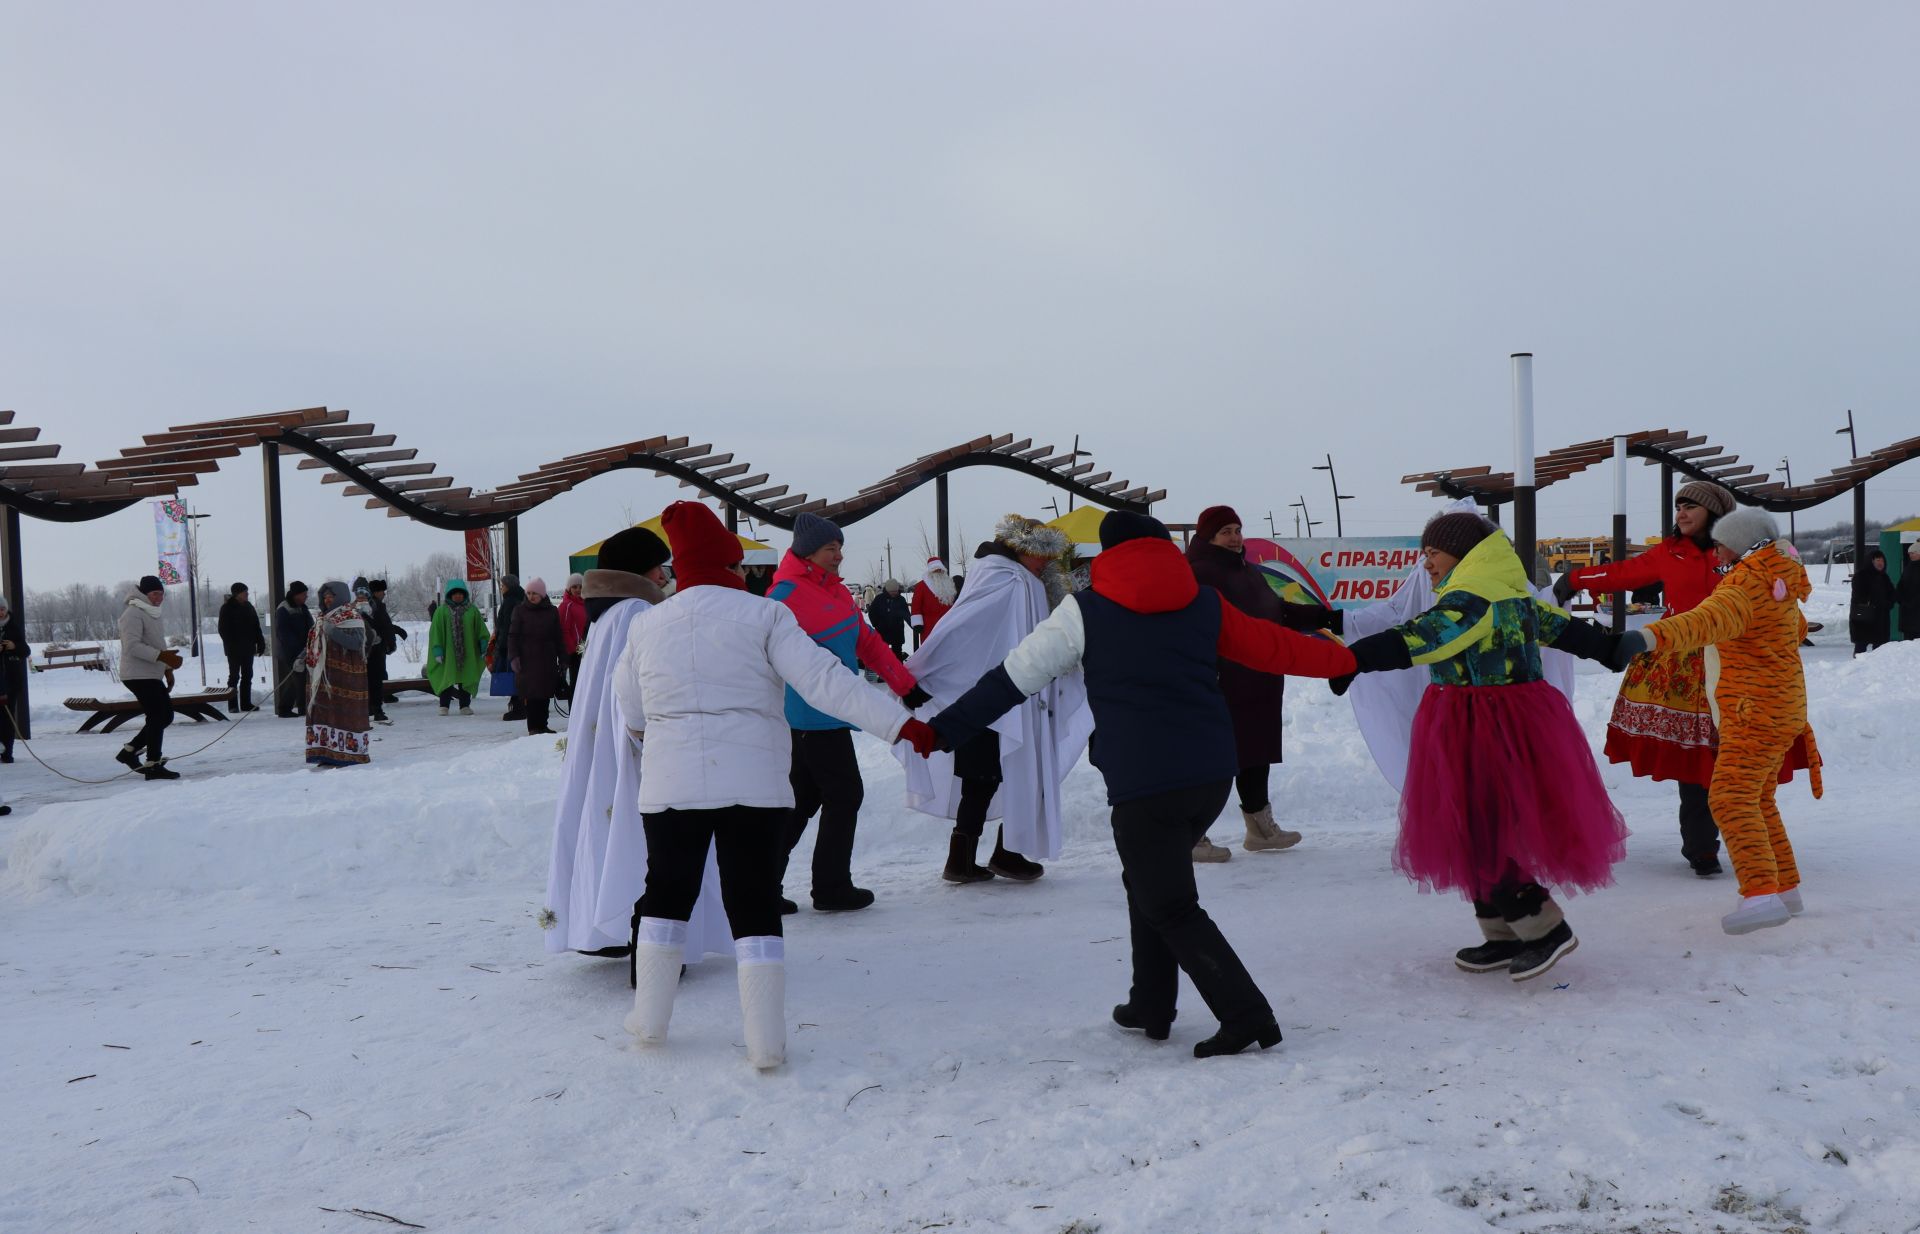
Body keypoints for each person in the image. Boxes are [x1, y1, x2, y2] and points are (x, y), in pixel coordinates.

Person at [922, 512, 1358, 1058]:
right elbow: (1274, 646)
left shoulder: (1085, 612)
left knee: (1171, 904)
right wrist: (1342, 660)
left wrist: (941, 731)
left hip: (1147, 783)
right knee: (1148, 884)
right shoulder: (1204, 602)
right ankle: (1150, 1002)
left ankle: (1247, 1015)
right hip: (1210, 776)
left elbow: (1012, 679)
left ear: (1106, 555)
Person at [614, 501, 938, 1070]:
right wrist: (899, 723)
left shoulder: (646, 623)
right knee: (754, 900)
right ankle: (765, 1042)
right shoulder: (763, 617)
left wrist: (659, 737)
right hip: (755, 784)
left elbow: (631, 708)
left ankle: (650, 1022)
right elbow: (825, 682)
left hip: (671, 786)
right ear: (729, 565)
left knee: (667, 892)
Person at [1337, 513, 1626, 984]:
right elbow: (1561, 627)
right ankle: (1502, 932)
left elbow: (1423, 637)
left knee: (1480, 825)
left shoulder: (1475, 598)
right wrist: (1608, 649)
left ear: (1463, 552)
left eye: (1433, 553)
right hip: (1475, 718)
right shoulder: (1505, 589)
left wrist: (1354, 659)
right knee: (1473, 824)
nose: (1425, 563)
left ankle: (1544, 927)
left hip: (1488, 724)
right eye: (1424, 553)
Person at [1612, 509, 1825, 934]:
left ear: (1742, 542)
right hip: (1782, 707)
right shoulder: (1778, 580)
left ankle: (1760, 894)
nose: (1717, 550)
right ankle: (1785, 889)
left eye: (1722, 543)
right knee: (1759, 798)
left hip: (1753, 710)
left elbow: (1704, 621)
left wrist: (1646, 637)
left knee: (1729, 799)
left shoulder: (1746, 583)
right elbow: (1796, 629)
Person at [544, 525, 731, 969]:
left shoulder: (609, 613)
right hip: (633, 747)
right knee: (645, 841)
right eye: (659, 564)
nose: (667, 572)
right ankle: (652, 946)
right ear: (642, 569)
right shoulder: (635, 613)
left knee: (612, 832)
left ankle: (606, 927)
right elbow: (642, 684)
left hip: (607, 746)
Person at [1553, 481, 1744, 875]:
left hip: (1734, 663)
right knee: (1696, 757)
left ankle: (1750, 837)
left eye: (1691, 506)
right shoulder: (1669, 553)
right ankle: (1702, 847)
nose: (1682, 514)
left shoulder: (1740, 552)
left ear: (1714, 512)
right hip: (1681, 667)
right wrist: (1575, 580)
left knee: (1739, 756)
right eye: (1678, 507)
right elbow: (1621, 574)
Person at [899, 515, 1091, 884]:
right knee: (997, 776)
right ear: (1022, 549)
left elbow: (966, 628)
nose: (1045, 563)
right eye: (1040, 555)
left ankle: (982, 856)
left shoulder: (1010, 578)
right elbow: (963, 628)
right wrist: (923, 671)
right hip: (996, 698)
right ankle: (990, 856)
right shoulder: (1010, 580)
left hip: (994, 697)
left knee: (996, 776)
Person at [768, 513, 930, 913]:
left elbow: (869, 643)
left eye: (840, 547)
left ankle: (763, 884)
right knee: (844, 794)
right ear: (808, 552)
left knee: (804, 799)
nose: (839, 555)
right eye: (830, 548)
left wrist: (906, 687)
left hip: (833, 712)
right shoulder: (783, 596)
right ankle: (830, 886)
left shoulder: (836, 593)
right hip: (810, 714)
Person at [1186, 504, 1342, 861]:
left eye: (1237, 530)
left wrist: (1325, 617)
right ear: (1208, 536)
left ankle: (1260, 829)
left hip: (1257, 676)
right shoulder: (1199, 572)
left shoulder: (1246, 570)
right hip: (1224, 678)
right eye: (1225, 531)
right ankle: (1192, 834)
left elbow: (1277, 611)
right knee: (1216, 758)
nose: (1234, 537)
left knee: (1254, 752)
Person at [114, 575, 183, 781]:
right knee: (158, 716)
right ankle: (153, 764)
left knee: (165, 716)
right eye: (155, 594)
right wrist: (162, 656)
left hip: (150, 673)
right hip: (136, 674)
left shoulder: (151, 613)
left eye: (162, 594)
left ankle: (130, 751)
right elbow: (132, 646)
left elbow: (155, 645)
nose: (159, 598)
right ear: (144, 594)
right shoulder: (133, 613)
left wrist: (167, 668)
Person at [302, 581, 372, 768]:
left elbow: (357, 644)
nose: (327, 600)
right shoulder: (321, 618)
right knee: (323, 711)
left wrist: (333, 632)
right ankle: (325, 752)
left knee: (343, 712)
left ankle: (347, 754)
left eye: (331, 597)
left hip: (345, 676)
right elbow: (314, 642)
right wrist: (302, 657)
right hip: (323, 676)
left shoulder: (352, 616)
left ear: (340, 597)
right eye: (324, 597)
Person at [509, 577, 565, 736]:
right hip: (527, 660)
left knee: (545, 693)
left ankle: (543, 725)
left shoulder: (552, 611)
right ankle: (533, 727)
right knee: (532, 695)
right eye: (528, 593)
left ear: (542, 594)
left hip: (547, 659)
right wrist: (514, 657)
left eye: (535, 593)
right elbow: (512, 635)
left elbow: (558, 637)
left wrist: (563, 658)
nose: (531, 596)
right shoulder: (519, 611)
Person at [427, 580, 489, 715]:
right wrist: (437, 649)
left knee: (466, 676)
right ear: (449, 595)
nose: (458, 596)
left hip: (468, 652)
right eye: (454, 594)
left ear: (464, 594)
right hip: (448, 653)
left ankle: (464, 706)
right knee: (447, 678)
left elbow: (481, 630)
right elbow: (435, 632)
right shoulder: (441, 612)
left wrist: (484, 644)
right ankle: (444, 706)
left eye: (460, 594)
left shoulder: (472, 610)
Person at [216, 582, 266, 713]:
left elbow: (256, 626)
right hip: (234, 649)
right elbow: (222, 629)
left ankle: (246, 703)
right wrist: (231, 644)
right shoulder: (226, 608)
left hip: (248, 647)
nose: (247, 594)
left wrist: (260, 642)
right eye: (245, 592)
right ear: (237, 594)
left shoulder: (249, 607)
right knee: (234, 676)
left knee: (248, 675)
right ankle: (232, 705)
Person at [364, 579, 406, 725]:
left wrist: (395, 632)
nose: (384, 594)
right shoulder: (373, 606)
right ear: (376, 592)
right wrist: (388, 638)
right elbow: (380, 626)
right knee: (375, 680)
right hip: (374, 649)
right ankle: (376, 709)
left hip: (378, 647)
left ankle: (372, 708)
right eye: (382, 591)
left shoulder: (376, 605)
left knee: (375, 679)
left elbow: (385, 625)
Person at [274, 581, 315, 717]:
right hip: (289, 651)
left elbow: (311, 625)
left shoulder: (303, 607)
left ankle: (297, 707)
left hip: (304, 649)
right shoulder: (284, 609)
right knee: (297, 678)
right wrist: (297, 650)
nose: (306, 597)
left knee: (300, 678)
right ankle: (289, 708)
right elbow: (283, 632)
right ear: (296, 594)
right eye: (304, 594)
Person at [1849, 547, 1897, 654]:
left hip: (1881, 618)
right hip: (1864, 617)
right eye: (1878, 560)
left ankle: (1877, 668)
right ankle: (1857, 668)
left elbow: (1892, 593)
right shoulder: (1861, 576)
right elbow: (1859, 595)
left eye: (1882, 560)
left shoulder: (1884, 577)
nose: (1881, 563)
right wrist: (1876, 602)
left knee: (1879, 648)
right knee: (1861, 646)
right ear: (1871, 561)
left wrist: (1889, 603)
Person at [495, 574, 527, 721]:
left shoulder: (509, 602)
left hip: (510, 645)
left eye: (503, 585)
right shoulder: (521, 598)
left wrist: (502, 646)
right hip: (521, 644)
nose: (501, 588)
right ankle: (521, 705)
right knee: (519, 676)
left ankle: (517, 707)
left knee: (513, 676)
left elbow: (507, 626)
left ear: (509, 586)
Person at [0, 596, 28, 762]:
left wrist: (14, 646)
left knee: (8, 717)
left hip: (11, 680)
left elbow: (25, 650)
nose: (1, 612)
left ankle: (7, 752)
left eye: (2, 609)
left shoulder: (13, 626)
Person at [911, 558, 956, 649]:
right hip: (929, 625)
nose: (938, 572)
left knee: (947, 649)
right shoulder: (921, 586)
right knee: (930, 650)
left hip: (947, 624)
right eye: (935, 570)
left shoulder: (949, 585)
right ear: (930, 571)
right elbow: (916, 605)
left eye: (940, 570)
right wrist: (917, 624)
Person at [558, 574, 589, 701]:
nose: (578, 589)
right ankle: (574, 715)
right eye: (574, 587)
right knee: (576, 683)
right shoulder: (566, 605)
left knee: (585, 684)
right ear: (569, 589)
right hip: (575, 651)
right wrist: (574, 650)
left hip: (585, 648)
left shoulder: (586, 604)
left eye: (581, 587)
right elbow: (564, 630)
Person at [868, 579, 911, 661]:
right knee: (882, 653)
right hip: (883, 631)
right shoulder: (879, 599)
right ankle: (884, 670)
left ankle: (898, 671)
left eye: (895, 591)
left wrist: (913, 625)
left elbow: (906, 614)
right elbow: (872, 613)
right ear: (887, 590)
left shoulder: (901, 600)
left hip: (897, 631)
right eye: (892, 591)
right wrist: (876, 624)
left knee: (897, 653)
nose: (894, 593)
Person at [1898, 542, 1920, 643]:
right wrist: (1901, 599)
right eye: (1910, 553)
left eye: (1913, 553)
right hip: (1907, 611)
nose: (1910, 555)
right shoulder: (1908, 568)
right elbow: (1901, 585)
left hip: (1915, 610)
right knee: (1908, 642)